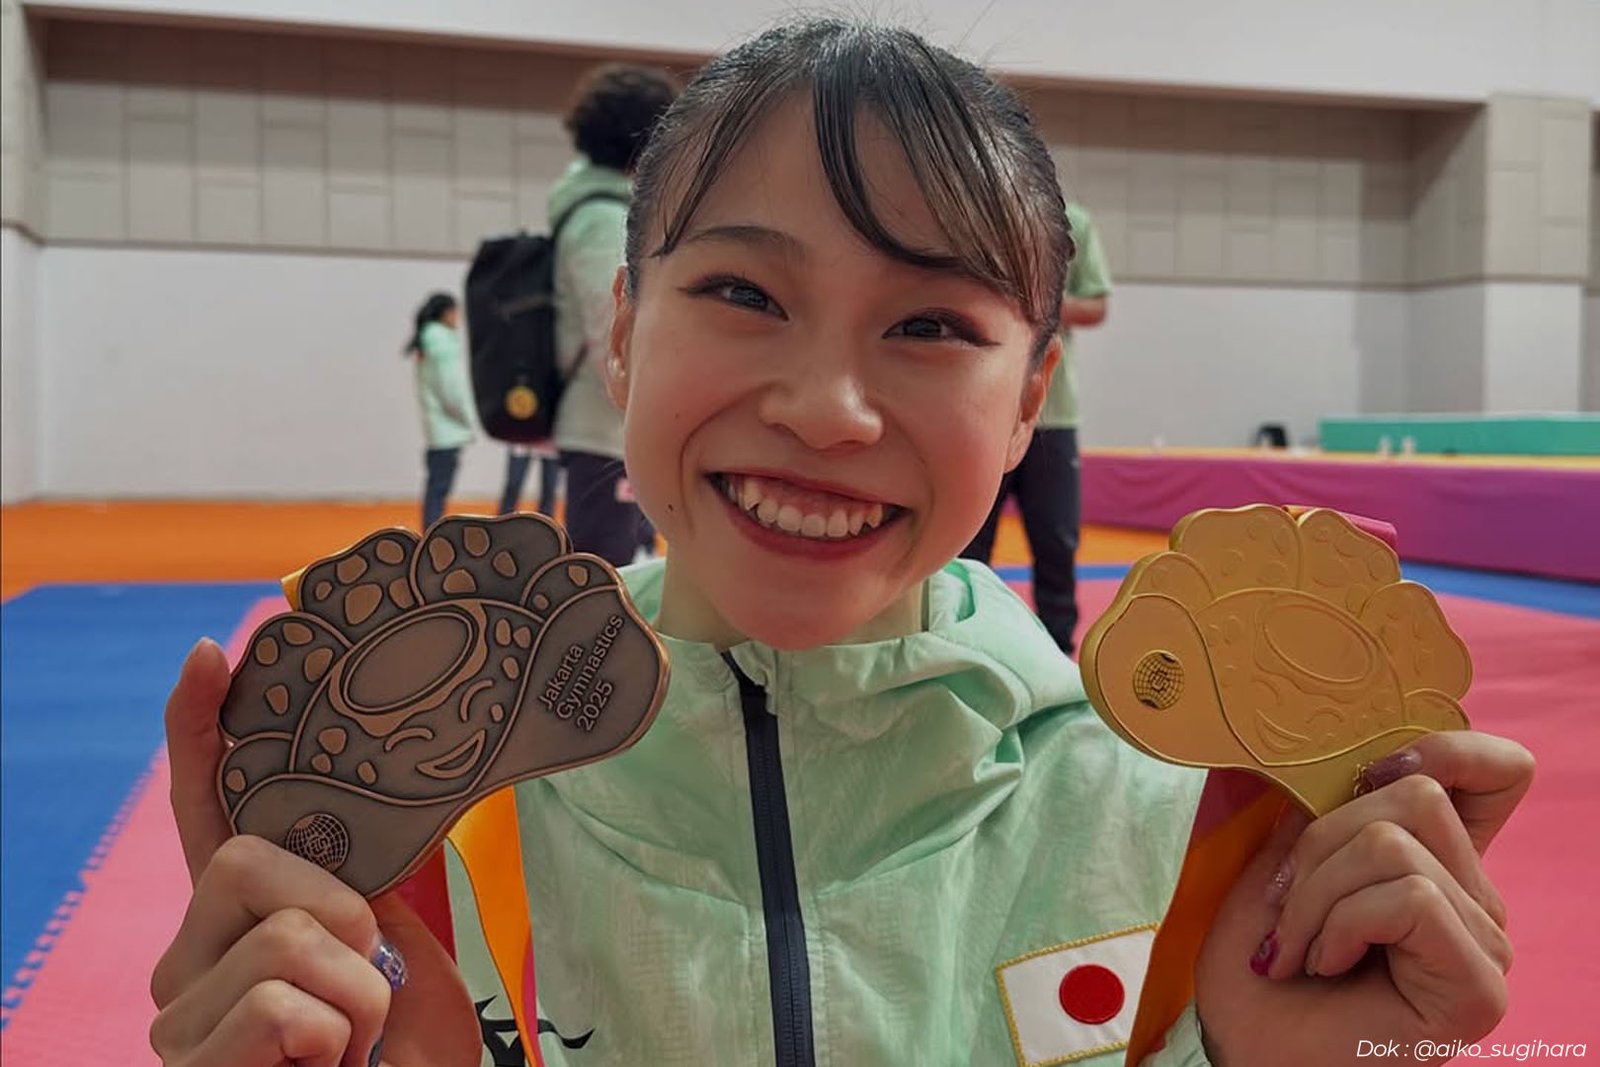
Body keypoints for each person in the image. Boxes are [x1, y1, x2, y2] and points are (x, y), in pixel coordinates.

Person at [151, 19, 1532, 1067]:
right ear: (625, 333)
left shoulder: (1185, 819)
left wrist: (1291, 1048)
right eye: (745, 290)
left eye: (931, 324)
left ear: (1028, 397)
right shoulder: (420, 814)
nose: (827, 407)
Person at [961, 200, 1110, 656]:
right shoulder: (976, 210)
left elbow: (1097, 305)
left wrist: (1038, 303)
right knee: (967, 534)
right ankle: (962, 639)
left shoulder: (1075, 221)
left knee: (1056, 537)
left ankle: (1058, 647)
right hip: (984, 410)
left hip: (1054, 416)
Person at [548, 63, 678, 566]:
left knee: (624, 567)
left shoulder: (600, 208)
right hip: (606, 429)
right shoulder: (600, 218)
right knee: (607, 580)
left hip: (613, 428)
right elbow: (613, 331)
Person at [405, 292, 475, 529]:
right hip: (447, 428)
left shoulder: (430, 340)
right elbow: (451, 389)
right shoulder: (442, 343)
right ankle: (431, 538)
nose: (459, 318)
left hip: (439, 428)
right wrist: (468, 419)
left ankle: (430, 534)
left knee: (436, 486)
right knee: (438, 488)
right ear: (446, 313)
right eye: (456, 312)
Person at [498, 444, 561, 518]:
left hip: (550, 444)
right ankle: (504, 520)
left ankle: (545, 525)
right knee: (513, 485)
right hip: (522, 441)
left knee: (549, 488)